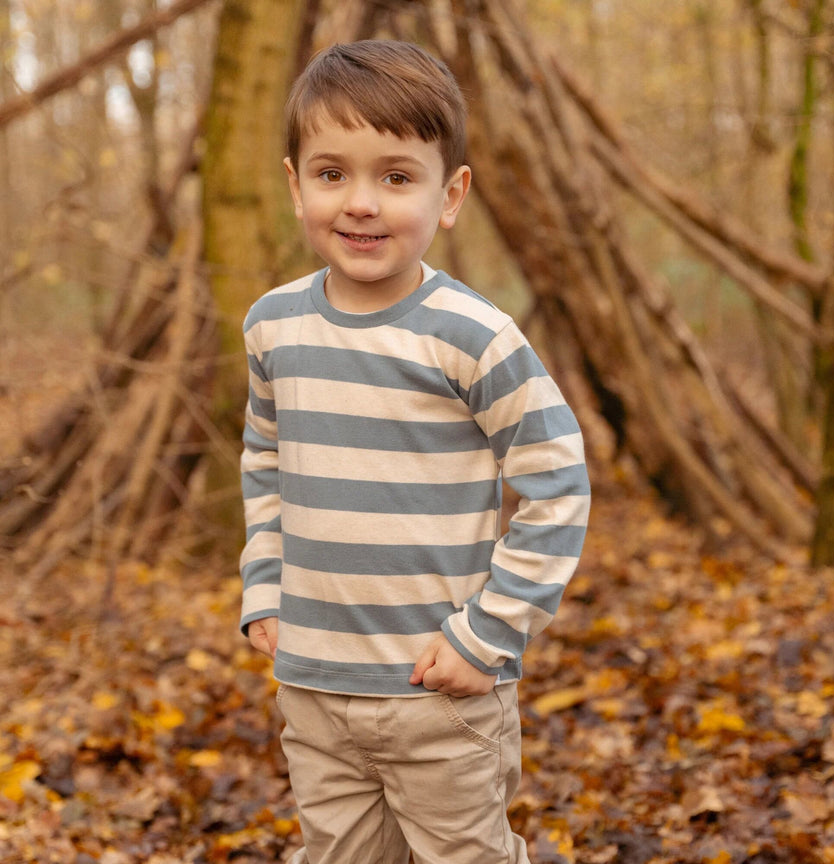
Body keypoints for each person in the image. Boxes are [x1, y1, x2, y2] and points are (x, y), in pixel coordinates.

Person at [239, 39, 590, 864]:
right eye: (332, 174)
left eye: (396, 177)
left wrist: (488, 634)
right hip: (314, 683)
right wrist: (264, 582)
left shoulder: (472, 335)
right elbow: (265, 460)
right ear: (296, 184)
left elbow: (558, 484)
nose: (360, 203)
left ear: (450, 194)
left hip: (440, 687)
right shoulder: (273, 325)